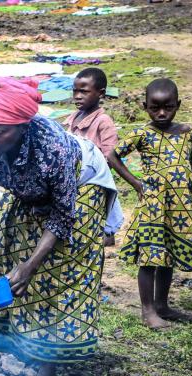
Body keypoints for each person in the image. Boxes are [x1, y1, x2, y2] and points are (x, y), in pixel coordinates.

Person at [0, 77, 117, 376]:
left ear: (22, 127)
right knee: (9, 255)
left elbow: (63, 214)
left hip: (83, 186)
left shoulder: (52, 145)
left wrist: (32, 265)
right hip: (30, 190)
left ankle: (48, 369)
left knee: (56, 272)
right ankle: (13, 352)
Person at [106, 79, 192, 329]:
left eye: (168, 107)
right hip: (153, 207)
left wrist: (187, 179)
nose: (162, 113)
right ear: (145, 107)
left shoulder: (187, 133)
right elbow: (113, 155)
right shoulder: (143, 133)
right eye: (155, 108)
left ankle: (162, 305)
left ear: (178, 105)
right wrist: (137, 184)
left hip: (179, 208)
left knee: (168, 255)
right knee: (151, 257)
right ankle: (148, 311)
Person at [63, 67, 123, 246]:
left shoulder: (103, 122)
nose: (78, 96)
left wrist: (94, 168)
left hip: (94, 177)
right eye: (75, 91)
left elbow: (110, 155)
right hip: (75, 175)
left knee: (97, 209)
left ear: (101, 93)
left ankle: (106, 235)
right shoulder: (74, 118)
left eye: (84, 91)